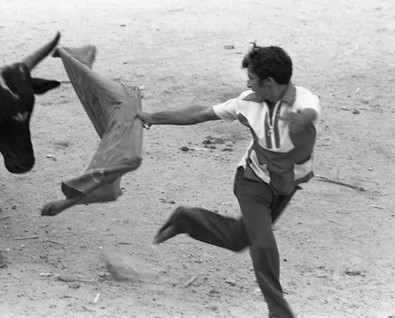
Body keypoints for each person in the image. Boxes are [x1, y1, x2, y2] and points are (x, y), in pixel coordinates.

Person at [137, 43, 320, 318]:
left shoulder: (303, 99)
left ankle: (188, 219)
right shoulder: (246, 101)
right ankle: (279, 312)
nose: (247, 82)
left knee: (238, 239)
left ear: (268, 82)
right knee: (263, 244)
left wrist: (300, 119)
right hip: (252, 181)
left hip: (286, 185)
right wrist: (154, 117)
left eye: (251, 78)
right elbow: (200, 113)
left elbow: (311, 112)